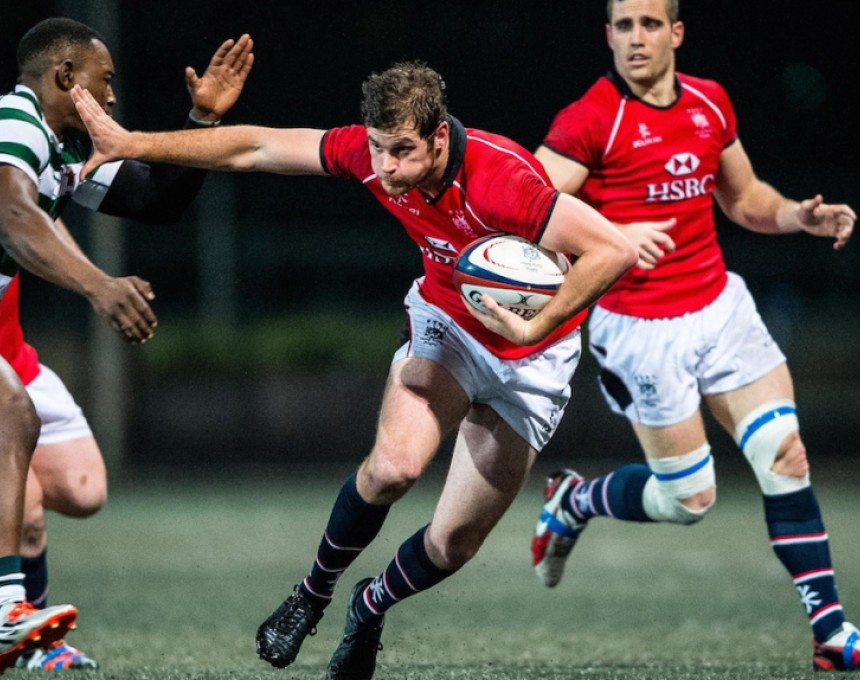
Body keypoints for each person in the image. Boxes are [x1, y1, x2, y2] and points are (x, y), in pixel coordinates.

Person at [71, 61, 638, 679]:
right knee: (394, 468)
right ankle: (311, 596)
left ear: (440, 138)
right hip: (447, 326)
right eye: (377, 149)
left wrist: (533, 324)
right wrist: (133, 143)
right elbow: (257, 146)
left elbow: (614, 248)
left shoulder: (502, 180)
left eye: (402, 152)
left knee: (453, 545)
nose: (386, 168)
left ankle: (370, 606)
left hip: (533, 355)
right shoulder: (369, 154)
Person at [0, 17, 252, 673]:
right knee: (12, 412)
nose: (112, 96)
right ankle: (7, 613)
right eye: (105, 80)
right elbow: (12, 215)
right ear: (65, 77)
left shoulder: (58, 152)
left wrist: (200, 123)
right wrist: (98, 286)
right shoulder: (12, 121)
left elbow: (154, 200)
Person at [527, 0, 858, 672]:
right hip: (640, 329)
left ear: (676, 33)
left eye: (650, 24)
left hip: (718, 307)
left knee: (785, 455)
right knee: (690, 500)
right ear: (609, 37)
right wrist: (611, 239)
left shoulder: (709, 103)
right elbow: (527, 208)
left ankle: (830, 631)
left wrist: (798, 216)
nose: (637, 38)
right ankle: (575, 499)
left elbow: (744, 200)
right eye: (624, 26)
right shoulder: (591, 117)